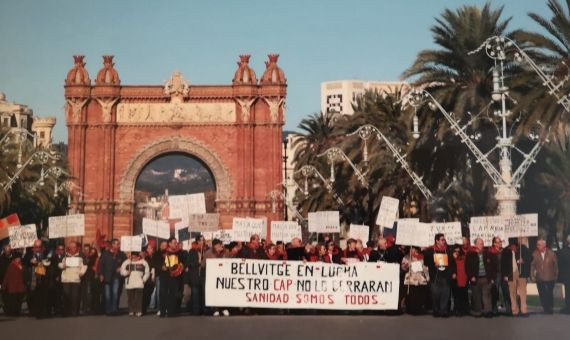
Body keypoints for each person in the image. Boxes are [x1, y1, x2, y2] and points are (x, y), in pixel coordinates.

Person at [423, 233, 456, 317]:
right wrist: (433, 263)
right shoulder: (430, 251)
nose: (444, 241)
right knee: (435, 295)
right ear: (437, 241)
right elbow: (426, 262)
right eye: (442, 240)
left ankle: (443, 311)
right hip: (435, 276)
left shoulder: (448, 250)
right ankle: (436, 311)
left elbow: (452, 263)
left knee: (445, 294)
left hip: (445, 276)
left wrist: (453, 272)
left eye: (444, 240)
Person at [466, 238, 498, 318]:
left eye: (482, 243)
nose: (481, 245)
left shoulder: (488, 254)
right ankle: (478, 311)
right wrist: (471, 276)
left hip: (486, 278)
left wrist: (492, 278)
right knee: (476, 296)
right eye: (480, 243)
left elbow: (494, 266)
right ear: (475, 245)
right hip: (475, 278)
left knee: (486, 295)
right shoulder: (470, 254)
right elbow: (467, 267)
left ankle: (488, 311)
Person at [502, 238, 531, 317]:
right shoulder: (506, 251)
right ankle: (514, 310)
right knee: (512, 293)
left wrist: (523, 260)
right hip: (510, 274)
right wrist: (505, 275)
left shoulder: (523, 249)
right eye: (511, 246)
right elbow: (503, 264)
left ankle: (524, 310)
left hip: (522, 273)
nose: (513, 248)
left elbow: (529, 260)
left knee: (523, 293)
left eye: (514, 246)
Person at [98, 239, 127, 315]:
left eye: (119, 244)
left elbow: (126, 263)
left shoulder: (121, 254)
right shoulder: (105, 253)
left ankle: (114, 309)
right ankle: (108, 310)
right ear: (113, 245)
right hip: (107, 276)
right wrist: (101, 274)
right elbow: (101, 264)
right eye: (117, 244)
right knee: (107, 294)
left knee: (115, 293)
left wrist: (121, 267)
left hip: (116, 277)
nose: (118, 245)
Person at [23, 240, 51, 318]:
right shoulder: (29, 254)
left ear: (42, 247)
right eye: (36, 247)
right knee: (32, 296)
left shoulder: (46, 253)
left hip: (43, 278)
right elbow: (24, 261)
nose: (37, 248)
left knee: (43, 296)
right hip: (33, 278)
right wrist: (30, 260)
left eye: (39, 247)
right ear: (33, 247)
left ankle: (42, 313)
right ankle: (33, 311)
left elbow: (50, 259)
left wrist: (46, 262)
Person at [59, 242, 87, 317]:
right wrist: (63, 265)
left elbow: (84, 266)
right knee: (67, 296)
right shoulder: (64, 256)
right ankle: (67, 311)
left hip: (76, 278)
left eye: (74, 247)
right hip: (66, 279)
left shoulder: (81, 256)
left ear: (76, 248)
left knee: (75, 296)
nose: (72, 248)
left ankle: (75, 312)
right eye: (71, 247)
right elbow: (59, 264)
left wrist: (81, 273)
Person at [202, 239, 230, 316]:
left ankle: (224, 308)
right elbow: (203, 265)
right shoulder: (208, 253)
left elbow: (230, 261)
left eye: (220, 244)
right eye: (218, 245)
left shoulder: (225, 252)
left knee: (223, 293)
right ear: (214, 246)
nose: (220, 246)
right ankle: (215, 309)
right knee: (214, 293)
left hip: (223, 276)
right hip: (213, 277)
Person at [531, 239, 558, 314]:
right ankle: (545, 308)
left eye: (539, 245)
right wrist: (532, 275)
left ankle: (550, 307)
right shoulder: (535, 254)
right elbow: (532, 266)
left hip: (550, 277)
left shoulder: (551, 254)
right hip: (539, 278)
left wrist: (556, 275)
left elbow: (556, 266)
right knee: (542, 293)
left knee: (549, 293)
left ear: (544, 245)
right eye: (537, 245)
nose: (537, 246)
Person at [159, 237, 184, 317]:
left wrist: (182, 265)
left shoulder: (180, 253)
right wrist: (161, 266)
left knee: (173, 294)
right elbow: (155, 261)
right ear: (169, 243)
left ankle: (171, 311)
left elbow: (184, 261)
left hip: (175, 276)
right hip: (164, 276)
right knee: (163, 293)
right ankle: (162, 311)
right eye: (174, 243)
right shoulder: (163, 252)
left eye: (176, 243)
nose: (176, 244)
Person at [120, 251, 150, 317]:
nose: (133, 258)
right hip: (129, 283)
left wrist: (144, 280)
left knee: (139, 298)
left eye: (135, 257)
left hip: (139, 283)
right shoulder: (126, 262)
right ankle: (131, 310)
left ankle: (139, 311)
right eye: (132, 257)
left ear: (138, 256)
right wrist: (126, 273)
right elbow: (122, 270)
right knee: (131, 298)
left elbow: (147, 272)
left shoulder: (144, 262)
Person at [401, 247, 429, 314]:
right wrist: (406, 265)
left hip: (420, 279)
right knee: (411, 294)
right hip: (411, 279)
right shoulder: (406, 257)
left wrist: (427, 276)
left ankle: (419, 308)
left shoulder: (421, 257)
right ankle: (411, 309)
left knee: (419, 295)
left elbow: (425, 268)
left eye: (414, 249)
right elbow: (403, 268)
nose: (413, 250)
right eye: (412, 249)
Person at [489, 236, 511, 315]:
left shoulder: (505, 251)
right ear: (494, 243)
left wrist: (507, 275)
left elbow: (508, 264)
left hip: (504, 274)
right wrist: (491, 277)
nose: (500, 243)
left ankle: (508, 309)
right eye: (498, 242)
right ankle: (494, 309)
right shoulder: (490, 252)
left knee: (506, 292)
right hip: (495, 275)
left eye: (500, 242)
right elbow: (489, 266)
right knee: (495, 292)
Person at [1, 252, 25, 316]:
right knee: (13, 300)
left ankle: (17, 311)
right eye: (17, 258)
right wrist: (4, 285)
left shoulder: (21, 265)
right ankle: (13, 312)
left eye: (19, 258)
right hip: (13, 286)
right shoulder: (11, 265)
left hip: (20, 285)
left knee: (19, 300)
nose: (18, 259)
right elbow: (7, 276)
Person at [451, 244, 469, 316]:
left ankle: (464, 309)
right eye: (455, 251)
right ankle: (457, 309)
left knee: (463, 294)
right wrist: (453, 258)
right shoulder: (451, 258)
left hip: (464, 278)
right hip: (456, 279)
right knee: (456, 295)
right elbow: (450, 266)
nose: (457, 252)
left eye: (458, 250)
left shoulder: (464, 257)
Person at [186, 240, 203, 315]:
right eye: (199, 244)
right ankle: (195, 310)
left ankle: (196, 309)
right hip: (194, 275)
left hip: (198, 275)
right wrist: (198, 263)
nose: (200, 245)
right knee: (195, 293)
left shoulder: (199, 252)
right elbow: (190, 263)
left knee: (196, 293)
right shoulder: (192, 252)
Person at [558, 235, 570, 314]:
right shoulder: (564, 251)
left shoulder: (563, 251)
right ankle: (568, 307)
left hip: (567, 275)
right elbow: (561, 263)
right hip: (567, 276)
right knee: (568, 292)